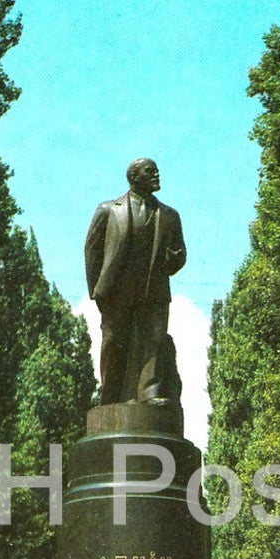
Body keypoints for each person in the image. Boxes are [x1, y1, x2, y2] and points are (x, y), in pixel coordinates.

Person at [85, 157, 187, 406]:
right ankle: (111, 395)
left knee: (154, 341)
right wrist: (98, 290)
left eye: (157, 171)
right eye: (150, 171)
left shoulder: (170, 215)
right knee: (114, 342)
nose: (156, 175)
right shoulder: (109, 210)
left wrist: (173, 260)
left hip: (154, 289)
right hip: (117, 291)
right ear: (134, 177)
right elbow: (92, 250)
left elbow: (180, 253)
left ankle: (149, 391)